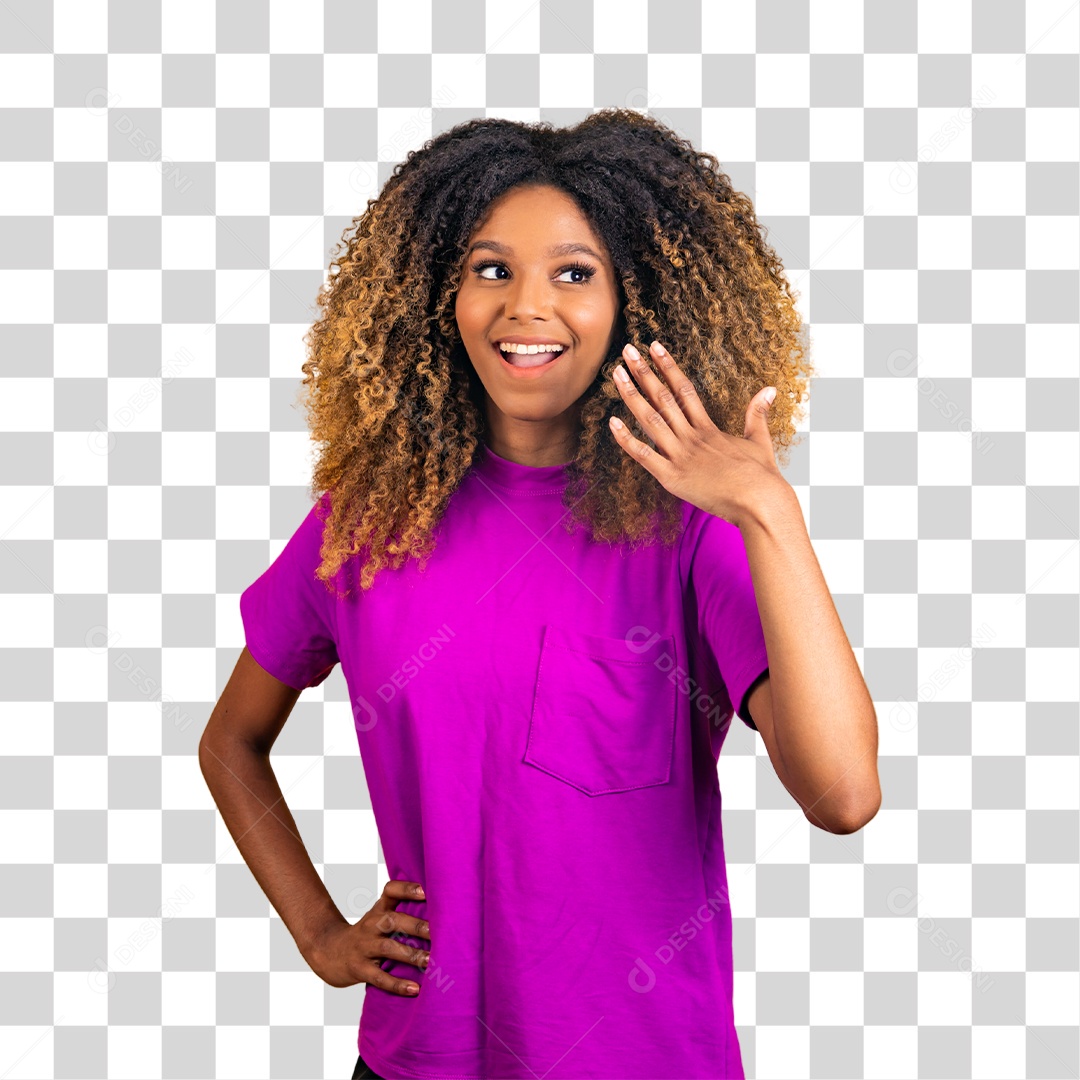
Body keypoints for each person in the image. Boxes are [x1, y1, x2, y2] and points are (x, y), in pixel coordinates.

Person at [199, 108, 881, 1080]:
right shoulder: (364, 529)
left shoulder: (693, 534)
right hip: (416, 1065)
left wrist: (769, 511)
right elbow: (231, 743)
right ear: (437, 296)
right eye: (490, 269)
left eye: (574, 272)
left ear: (633, 300)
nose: (528, 307)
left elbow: (844, 794)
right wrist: (320, 933)